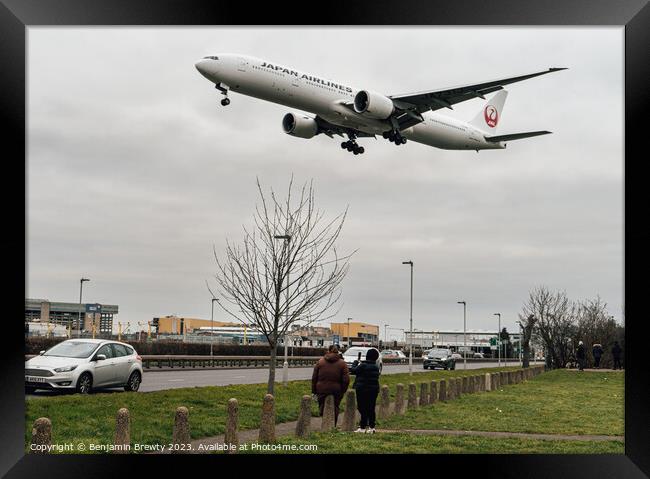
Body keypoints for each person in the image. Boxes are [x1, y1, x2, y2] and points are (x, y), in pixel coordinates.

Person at [311, 345, 350, 426]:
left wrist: (314, 391)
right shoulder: (342, 364)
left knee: (322, 405)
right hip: (336, 390)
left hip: (321, 389)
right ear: (338, 352)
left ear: (328, 351)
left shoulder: (320, 362)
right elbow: (346, 380)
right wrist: (343, 390)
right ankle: (333, 425)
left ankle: (325, 421)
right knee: (335, 407)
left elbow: (314, 378)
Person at [350, 348, 381, 433]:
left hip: (362, 389)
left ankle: (362, 427)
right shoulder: (376, 367)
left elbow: (353, 370)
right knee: (371, 408)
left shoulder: (363, 365)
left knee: (362, 408)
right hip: (373, 390)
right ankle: (372, 427)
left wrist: (355, 363)